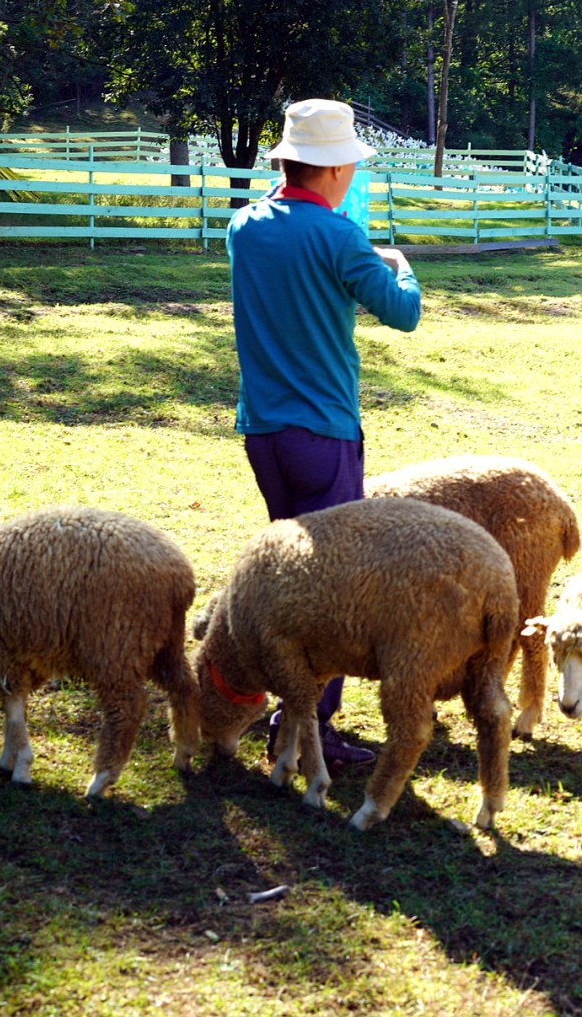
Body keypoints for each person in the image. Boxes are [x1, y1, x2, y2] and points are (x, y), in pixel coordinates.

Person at [226, 97, 421, 766]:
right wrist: (401, 267)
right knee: (333, 586)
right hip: (325, 432)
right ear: (336, 168)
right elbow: (401, 314)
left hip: (264, 432)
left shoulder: (243, 227)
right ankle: (312, 727)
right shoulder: (341, 237)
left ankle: (285, 710)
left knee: (286, 577)